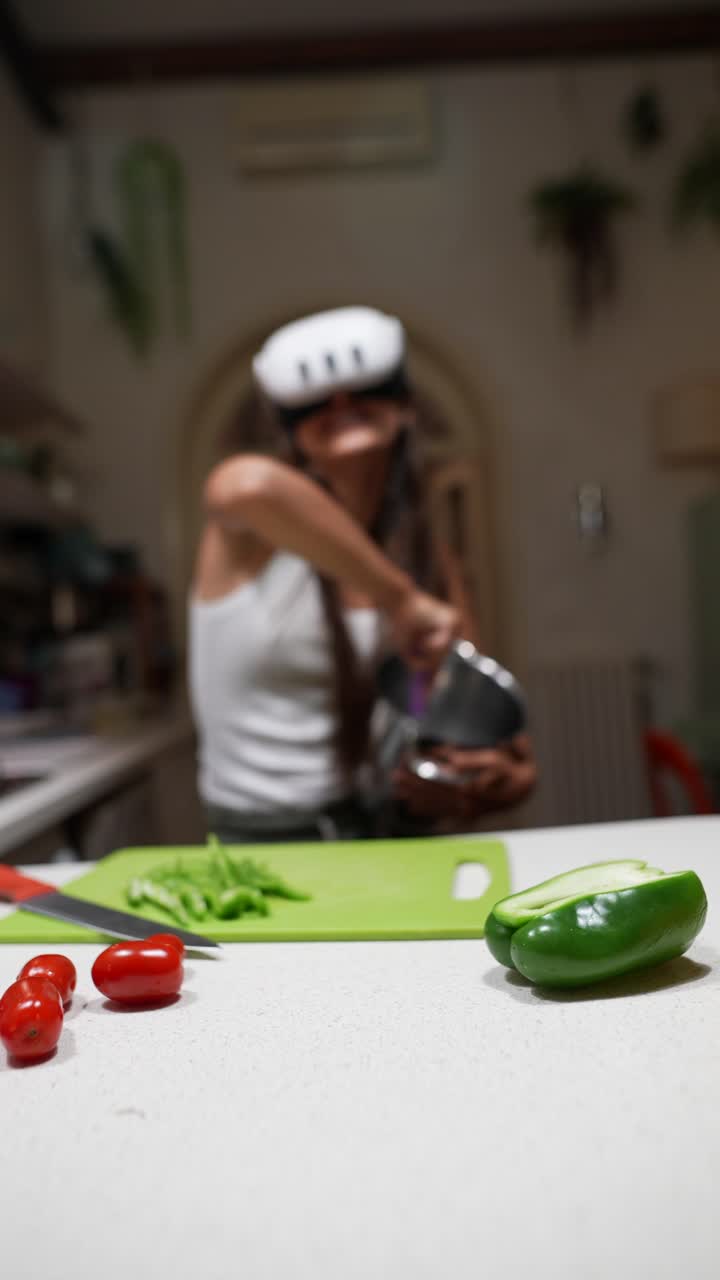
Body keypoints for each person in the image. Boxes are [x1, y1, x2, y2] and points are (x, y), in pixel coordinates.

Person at [189, 306, 536, 842]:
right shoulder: (253, 538)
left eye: (365, 389)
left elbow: (503, 749)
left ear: (404, 406)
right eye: (315, 402)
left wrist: (481, 781)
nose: (342, 405)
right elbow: (243, 485)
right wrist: (399, 599)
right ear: (291, 429)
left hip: (382, 830)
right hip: (262, 836)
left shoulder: (428, 557)